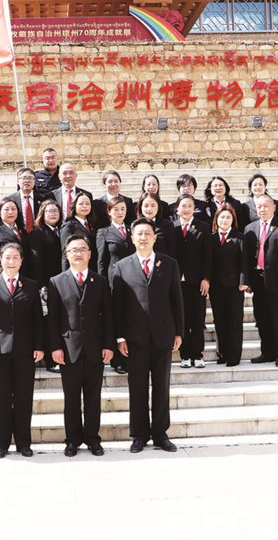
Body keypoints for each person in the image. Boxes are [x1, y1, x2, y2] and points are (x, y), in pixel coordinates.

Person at [111, 218, 184, 454]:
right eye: (139, 234)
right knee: (137, 387)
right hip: (135, 338)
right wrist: (119, 336)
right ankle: (139, 435)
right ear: (132, 238)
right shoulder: (122, 266)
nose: (143, 238)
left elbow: (177, 299)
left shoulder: (169, 263)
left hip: (163, 335)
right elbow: (117, 305)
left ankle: (160, 434)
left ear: (154, 237)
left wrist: (179, 332)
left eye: (147, 234)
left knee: (161, 387)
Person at [47, 234, 115, 457]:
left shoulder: (100, 281)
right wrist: (55, 347)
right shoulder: (56, 281)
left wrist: (108, 345)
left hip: (95, 348)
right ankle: (72, 440)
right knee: (71, 398)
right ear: (67, 255)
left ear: (90, 253)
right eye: (73, 250)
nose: (78, 253)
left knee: (93, 397)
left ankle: (93, 439)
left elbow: (107, 316)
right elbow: (53, 318)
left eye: (82, 249)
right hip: (68, 350)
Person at [0, 243, 45, 458]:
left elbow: (38, 320)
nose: (11, 261)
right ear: (1, 259)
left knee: (24, 398)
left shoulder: (31, 286)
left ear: (21, 260)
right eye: (7, 257)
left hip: (26, 350)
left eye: (15, 257)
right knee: (1, 399)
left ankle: (24, 442)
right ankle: (1, 444)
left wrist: (39, 346)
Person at [244, 194, 278, 368]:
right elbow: (247, 257)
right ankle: (266, 352)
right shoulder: (250, 228)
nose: (262, 209)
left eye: (266, 206)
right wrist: (247, 280)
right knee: (261, 317)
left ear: (273, 207)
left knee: (277, 317)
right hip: (257, 280)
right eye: (259, 206)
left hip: (276, 280)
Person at [96, 196, 135, 375]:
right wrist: (102, 284)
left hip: (133, 282)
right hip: (114, 282)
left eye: (123, 209)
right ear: (109, 212)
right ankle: (117, 360)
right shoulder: (103, 232)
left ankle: (130, 356)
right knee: (115, 318)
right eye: (116, 209)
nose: (120, 212)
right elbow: (101, 261)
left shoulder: (133, 230)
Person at [172, 194, 212, 369]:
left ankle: (198, 354)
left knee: (197, 319)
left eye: (190, 206)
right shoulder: (172, 227)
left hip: (197, 281)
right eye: (183, 206)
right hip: (177, 281)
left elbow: (207, 256)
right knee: (182, 319)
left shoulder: (203, 227)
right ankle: (185, 355)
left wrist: (206, 278)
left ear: (194, 208)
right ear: (177, 208)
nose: (186, 209)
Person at [209, 204, 250, 367]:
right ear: (216, 219)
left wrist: (243, 282)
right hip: (216, 286)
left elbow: (245, 262)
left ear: (233, 220)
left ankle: (234, 355)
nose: (224, 220)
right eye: (222, 217)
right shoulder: (211, 238)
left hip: (234, 286)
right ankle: (223, 353)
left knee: (234, 321)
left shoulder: (240, 238)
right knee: (219, 320)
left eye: (228, 217)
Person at [27, 200, 64, 374]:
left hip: (62, 283)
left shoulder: (62, 231)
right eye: (49, 211)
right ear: (42, 214)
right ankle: (50, 360)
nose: (53, 214)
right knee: (49, 320)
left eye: (55, 211)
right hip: (46, 285)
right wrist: (41, 285)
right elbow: (36, 261)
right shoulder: (37, 233)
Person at [0, 198, 28, 279]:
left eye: (13, 209)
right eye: (6, 209)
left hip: (22, 276)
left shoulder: (22, 231)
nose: (10, 212)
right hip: (3, 276)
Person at [59, 191, 97, 272]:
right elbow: (65, 254)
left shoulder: (92, 225)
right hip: (76, 270)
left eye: (87, 204)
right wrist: (66, 275)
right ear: (74, 206)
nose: (85, 206)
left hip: (91, 270)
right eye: (81, 204)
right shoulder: (69, 226)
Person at [136, 191, 177, 257]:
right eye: (146, 206)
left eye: (153, 205)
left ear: (158, 207)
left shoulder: (167, 225)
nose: (149, 209)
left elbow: (172, 250)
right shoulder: (135, 225)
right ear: (140, 207)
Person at [6, 167, 40, 234]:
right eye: (24, 178)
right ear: (18, 181)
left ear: (34, 181)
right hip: (18, 235)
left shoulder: (42, 199)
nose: (27, 181)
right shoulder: (10, 200)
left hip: (39, 235)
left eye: (30, 178)